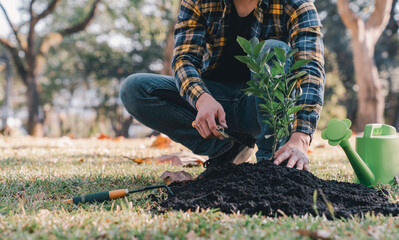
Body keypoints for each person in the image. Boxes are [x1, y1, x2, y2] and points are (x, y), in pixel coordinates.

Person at [120, 0, 325, 175]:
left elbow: (311, 71)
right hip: (215, 102)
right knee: (135, 89)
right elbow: (184, 60)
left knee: (272, 50)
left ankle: (273, 164)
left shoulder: (297, 5)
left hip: (260, 106)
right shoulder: (199, 2)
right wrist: (202, 99)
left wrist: (300, 138)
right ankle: (227, 148)